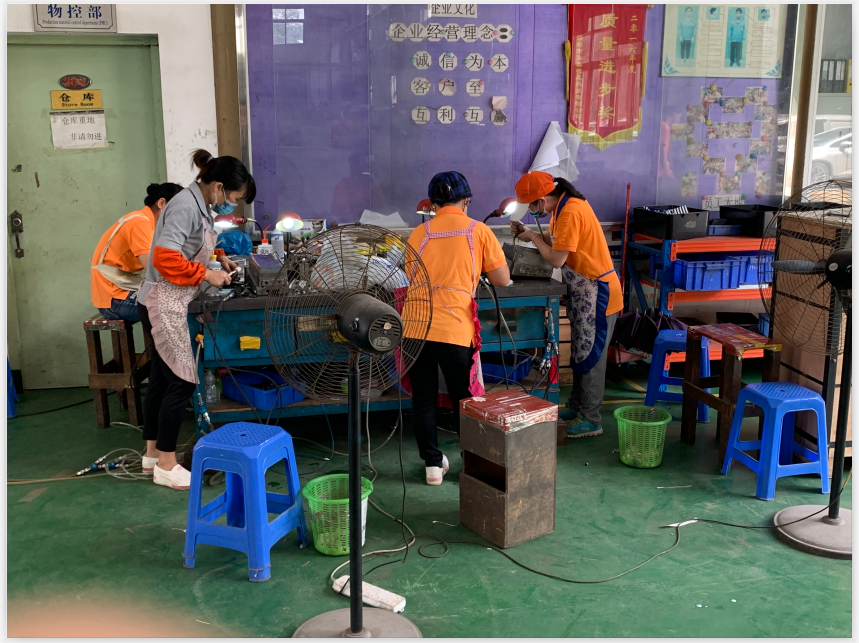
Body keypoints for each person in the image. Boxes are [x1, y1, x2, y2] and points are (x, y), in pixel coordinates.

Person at [137, 150, 255, 490]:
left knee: (162, 380)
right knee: (183, 380)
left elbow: (193, 242)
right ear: (218, 187)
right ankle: (167, 465)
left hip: (168, 297)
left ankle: (152, 454)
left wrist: (218, 257)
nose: (231, 205)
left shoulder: (199, 205)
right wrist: (206, 274)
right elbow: (165, 258)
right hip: (163, 300)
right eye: (233, 198)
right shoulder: (185, 206)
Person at [404, 171, 509, 486]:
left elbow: (409, 275)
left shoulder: (418, 233)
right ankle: (471, 464)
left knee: (423, 400)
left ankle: (432, 467)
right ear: (467, 201)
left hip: (415, 328)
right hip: (454, 330)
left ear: (432, 204)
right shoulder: (478, 231)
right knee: (465, 400)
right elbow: (502, 278)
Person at [511, 172, 622, 438]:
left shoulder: (571, 211)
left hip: (598, 293)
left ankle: (592, 419)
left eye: (531, 205)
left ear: (541, 199)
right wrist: (530, 234)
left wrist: (534, 238)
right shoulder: (561, 209)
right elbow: (561, 243)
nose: (530, 210)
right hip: (585, 293)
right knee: (581, 354)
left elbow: (557, 259)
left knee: (592, 356)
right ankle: (577, 407)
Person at [90, 182, 183, 322]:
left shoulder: (151, 225)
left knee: (179, 301)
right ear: (162, 203)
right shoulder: (140, 223)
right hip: (114, 298)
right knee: (174, 307)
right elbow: (154, 269)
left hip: (122, 289)